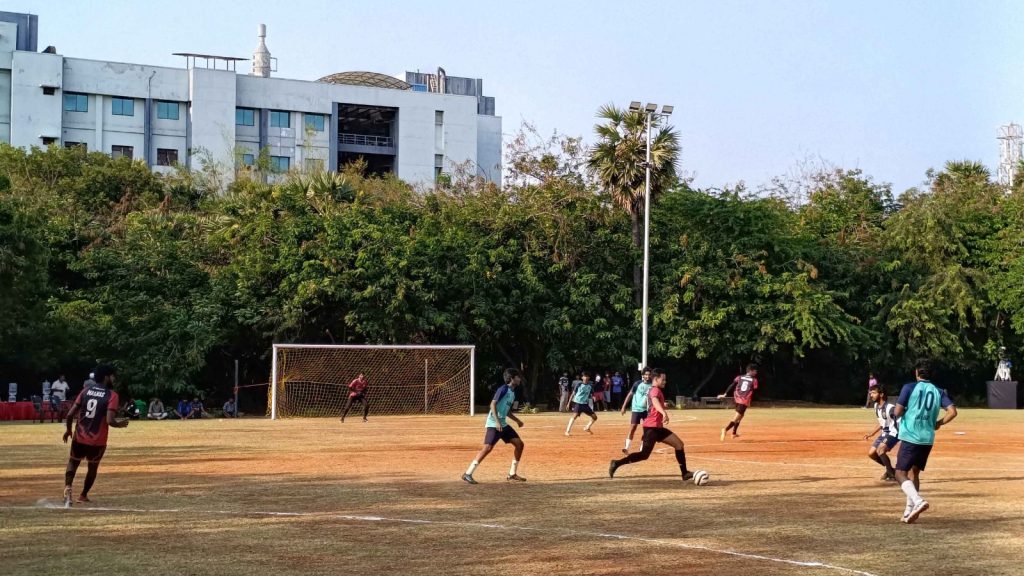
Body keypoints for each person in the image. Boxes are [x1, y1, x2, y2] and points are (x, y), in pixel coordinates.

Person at [893, 359, 957, 524]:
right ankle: (908, 511)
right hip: (927, 438)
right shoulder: (939, 391)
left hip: (910, 436)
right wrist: (939, 423)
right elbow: (952, 411)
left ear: (917, 373)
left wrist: (898, 412)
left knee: (900, 473)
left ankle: (918, 501)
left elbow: (898, 411)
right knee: (915, 473)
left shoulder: (909, 387)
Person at [609, 368, 694, 481]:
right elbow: (654, 401)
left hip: (657, 427)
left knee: (679, 444)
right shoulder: (654, 390)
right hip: (651, 428)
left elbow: (655, 403)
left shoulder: (656, 390)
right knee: (644, 455)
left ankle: (685, 473)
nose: (665, 381)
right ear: (656, 379)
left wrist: (663, 406)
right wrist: (663, 413)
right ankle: (617, 463)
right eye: (663, 379)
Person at [62, 364, 128, 506]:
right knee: (92, 467)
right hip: (97, 440)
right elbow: (110, 420)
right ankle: (83, 495)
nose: (114, 379)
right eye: (112, 376)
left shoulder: (85, 391)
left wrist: (68, 430)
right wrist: (120, 424)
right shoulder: (112, 395)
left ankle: (68, 487)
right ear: (106, 377)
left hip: (79, 436)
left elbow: (69, 414)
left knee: (73, 462)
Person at [462, 368, 526, 484]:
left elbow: (506, 411)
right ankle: (468, 473)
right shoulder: (503, 389)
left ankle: (512, 474)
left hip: (503, 424)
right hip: (493, 423)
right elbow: (492, 404)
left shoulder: (512, 393)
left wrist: (517, 421)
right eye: (518, 377)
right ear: (512, 378)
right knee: (487, 448)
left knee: (519, 444)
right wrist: (496, 422)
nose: (519, 379)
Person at [862, 384, 899, 481]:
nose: (871, 395)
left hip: (893, 433)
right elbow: (881, 422)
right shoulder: (876, 406)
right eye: (871, 393)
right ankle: (890, 470)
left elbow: (900, 419)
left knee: (880, 450)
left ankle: (892, 475)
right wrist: (872, 433)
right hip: (884, 433)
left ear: (881, 394)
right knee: (871, 454)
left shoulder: (890, 407)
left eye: (874, 393)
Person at [719, 364, 759, 441]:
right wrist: (750, 400)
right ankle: (725, 429)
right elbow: (755, 390)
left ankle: (733, 433)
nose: (756, 372)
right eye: (755, 371)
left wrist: (725, 394)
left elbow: (732, 385)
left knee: (741, 416)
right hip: (744, 400)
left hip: (737, 398)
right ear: (750, 371)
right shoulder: (754, 380)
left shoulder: (739, 377)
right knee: (736, 418)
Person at [619, 367, 652, 454]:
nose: (647, 376)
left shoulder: (652, 385)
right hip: (636, 409)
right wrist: (624, 406)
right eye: (646, 374)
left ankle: (642, 448)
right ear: (643, 375)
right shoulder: (637, 384)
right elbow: (630, 395)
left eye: (649, 375)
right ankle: (626, 447)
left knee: (646, 430)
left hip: (647, 411)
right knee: (633, 427)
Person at [565, 371, 598, 436]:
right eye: (584, 376)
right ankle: (567, 431)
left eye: (587, 376)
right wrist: (568, 403)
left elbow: (592, 394)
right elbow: (573, 394)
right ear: (582, 377)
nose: (586, 378)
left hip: (585, 404)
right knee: (574, 416)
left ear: (589, 377)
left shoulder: (590, 386)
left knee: (595, 417)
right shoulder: (579, 384)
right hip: (578, 403)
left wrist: (594, 397)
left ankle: (587, 427)